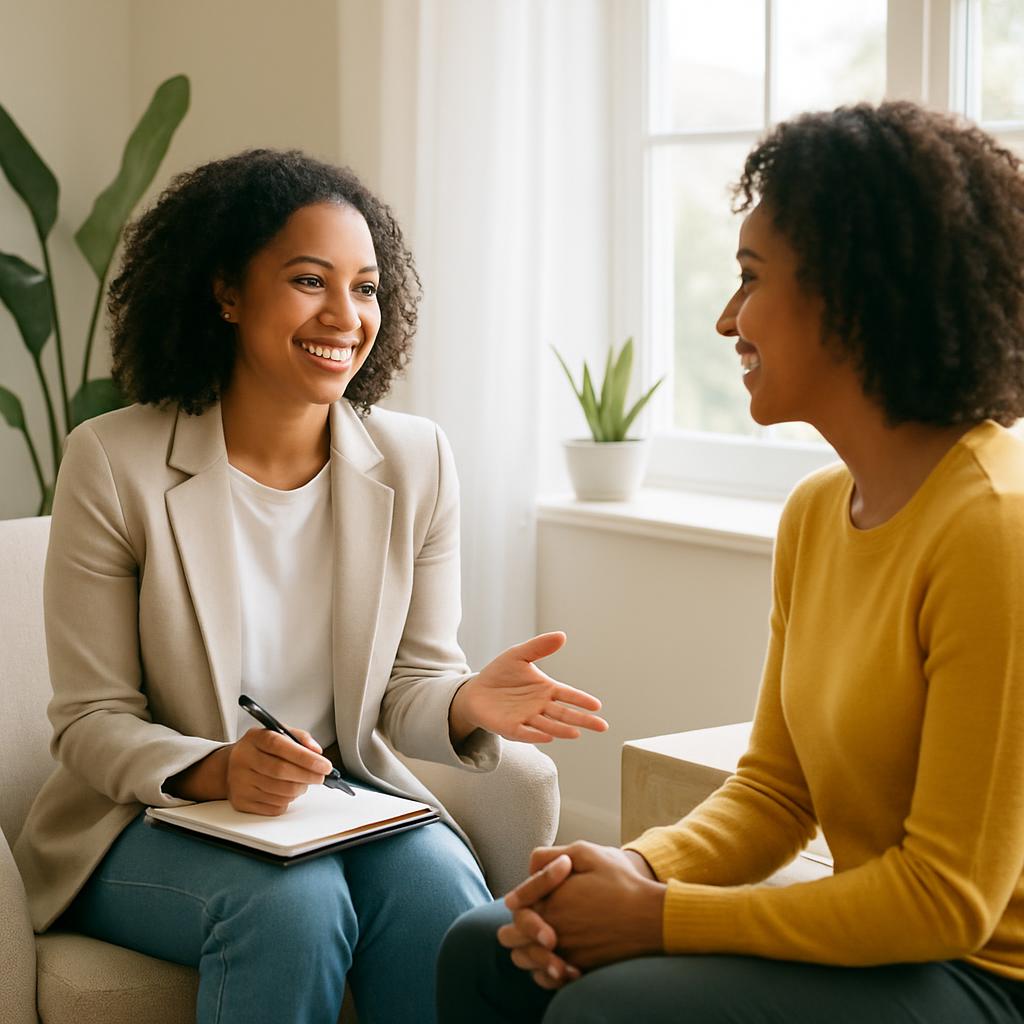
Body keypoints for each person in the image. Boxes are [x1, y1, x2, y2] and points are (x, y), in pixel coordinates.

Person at [437, 101, 1024, 1023]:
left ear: (853, 293)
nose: (725, 319)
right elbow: (776, 792)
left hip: (988, 975)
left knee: (610, 1010)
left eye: (749, 278)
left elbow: (948, 901)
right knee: (486, 947)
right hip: (893, 944)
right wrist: (633, 868)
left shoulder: (995, 528)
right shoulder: (818, 512)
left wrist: (656, 918)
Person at [12, 149, 608, 1024]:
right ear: (226, 292)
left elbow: (410, 685)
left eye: (365, 288)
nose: (344, 314)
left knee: (442, 892)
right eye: (308, 280)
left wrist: (467, 702)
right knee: (291, 904)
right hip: (144, 821)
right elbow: (92, 721)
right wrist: (219, 768)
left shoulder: (416, 460)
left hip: (338, 805)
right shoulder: (113, 461)